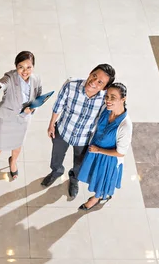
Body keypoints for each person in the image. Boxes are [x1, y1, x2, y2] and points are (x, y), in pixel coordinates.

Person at [41, 64, 116, 198]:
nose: (93, 82)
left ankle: (74, 179)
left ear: (105, 87)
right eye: (94, 76)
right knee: (56, 157)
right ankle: (56, 171)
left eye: (100, 82)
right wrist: (51, 124)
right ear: (90, 72)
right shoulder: (71, 85)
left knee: (79, 163)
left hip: (84, 138)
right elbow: (58, 105)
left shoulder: (105, 99)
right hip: (63, 130)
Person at [78, 82, 132, 210]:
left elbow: (121, 153)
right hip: (95, 151)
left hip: (107, 159)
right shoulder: (106, 110)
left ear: (123, 99)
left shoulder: (125, 125)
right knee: (93, 176)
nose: (108, 100)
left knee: (101, 181)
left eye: (113, 97)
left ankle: (96, 198)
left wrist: (99, 150)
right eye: (107, 96)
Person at [0, 51, 42, 180]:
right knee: (0, 144)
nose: (25, 71)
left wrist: (32, 109)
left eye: (29, 67)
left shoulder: (36, 79)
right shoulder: (10, 77)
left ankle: (13, 161)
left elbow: (39, 95)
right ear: (16, 66)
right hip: (6, 118)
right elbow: (3, 84)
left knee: (18, 144)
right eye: (21, 67)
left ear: (33, 67)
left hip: (23, 119)